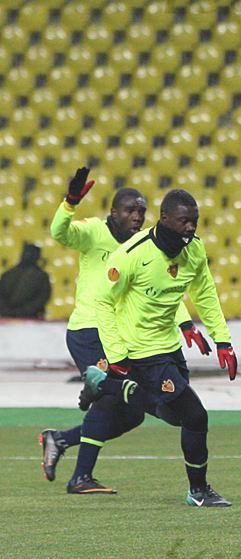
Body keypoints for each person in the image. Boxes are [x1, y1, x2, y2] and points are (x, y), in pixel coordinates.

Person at [39, 167, 211, 494]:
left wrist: (185, 321)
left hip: (120, 333)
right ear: (113, 212)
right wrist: (70, 203)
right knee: (118, 396)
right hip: (89, 329)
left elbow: (160, 292)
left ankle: (60, 439)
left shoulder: (144, 244)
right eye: (130, 210)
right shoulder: (93, 232)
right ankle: (81, 475)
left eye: (141, 212)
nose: (137, 217)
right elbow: (59, 232)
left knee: (133, 414)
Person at [79, 188, 238, 507]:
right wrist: (117, 354)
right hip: (139, 350)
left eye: (195, 221)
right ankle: (198, 492)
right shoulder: (132, 253)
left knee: (172, 415)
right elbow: (103, 302)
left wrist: (222, 339)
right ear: (164, 218)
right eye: (184, 221)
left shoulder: (194, 249)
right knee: (195, 416)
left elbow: (205, 293)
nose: (190, 227)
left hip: (169, 347)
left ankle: (105, 384)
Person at [0, 242, 51, 318]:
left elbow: (42, 298)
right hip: (26, 318)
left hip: (24, 317)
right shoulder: (8, 274)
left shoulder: (8, 274)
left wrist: (9, 312)